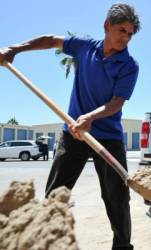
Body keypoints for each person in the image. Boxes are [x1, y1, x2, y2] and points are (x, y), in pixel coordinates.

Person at [0, 3, 140, 249]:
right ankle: (44, 241)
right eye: (121, 30)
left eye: (130, 33)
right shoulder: (84, 47)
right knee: (56, 193)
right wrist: (15, 49)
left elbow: (116, 103)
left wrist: (90, 117)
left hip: (108, 138)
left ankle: (122, 247)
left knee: (117, 198)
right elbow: (50, 40)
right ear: (106, 26)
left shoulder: (129, 65)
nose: (125, 38)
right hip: (73, 133)